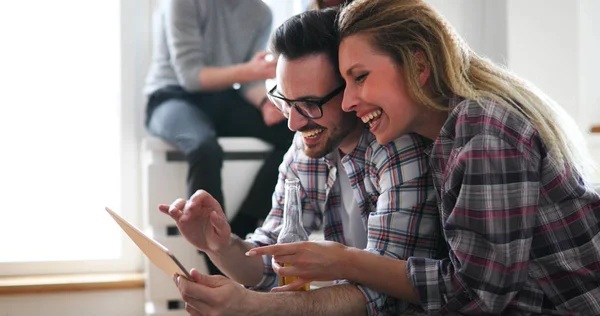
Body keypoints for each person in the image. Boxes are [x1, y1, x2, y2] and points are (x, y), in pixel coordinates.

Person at [252, 0, 600, 315]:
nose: (348, 102)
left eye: (360, 77)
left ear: (418, 65)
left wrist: (345, 262)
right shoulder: (444, 139)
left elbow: (476, 296)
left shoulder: (482, 128)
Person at [159, 8, 443, 316]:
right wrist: (221, 245)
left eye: (310, 104)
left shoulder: (396, 148)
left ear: (350, 88)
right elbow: (270, 263)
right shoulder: (307, 148)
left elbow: (386, 297)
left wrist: (252, 306)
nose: (293, 123)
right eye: (285, 102)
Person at [143, 0, 295, 269]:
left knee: (293, 129)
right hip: (172, 96)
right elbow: (190, 76)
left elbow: (250, 84)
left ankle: (243, 226)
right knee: (203, 146)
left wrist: (265, 104)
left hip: (224, 97)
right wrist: (250, 70)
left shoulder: (260, 13)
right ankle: (215, 262)